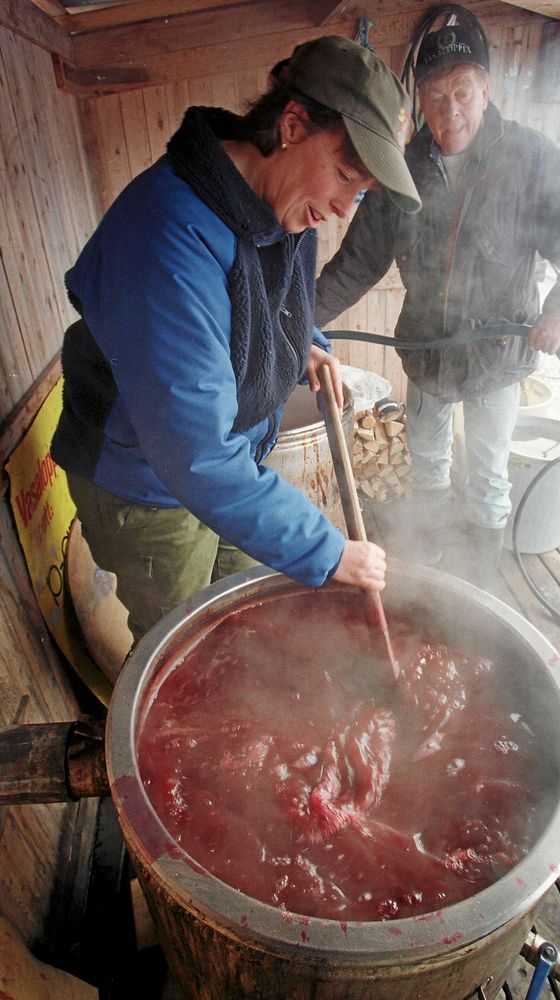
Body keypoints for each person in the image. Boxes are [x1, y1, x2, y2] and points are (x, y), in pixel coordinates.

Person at [51, 35, 421, 658]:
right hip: (146, 487)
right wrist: (330, 550)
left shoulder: (283, 204)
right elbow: (196, 454)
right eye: (347, 176)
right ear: (293, 124)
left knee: (235, 625)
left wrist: (305, 342)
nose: (342, 207)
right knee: (180, 649)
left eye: (360, 196)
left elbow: (261, 303)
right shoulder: (166, 236)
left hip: (224, 466)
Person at [315, 11, 560, 591]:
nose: (449, 108)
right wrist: (295, 320)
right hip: (427, 354)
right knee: (428, 461)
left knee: (488, 476)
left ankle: (478, 583)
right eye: (435, 94)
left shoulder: (528, 160)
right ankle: (429, 565)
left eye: (461, 91)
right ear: (421, 104)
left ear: (485, 91)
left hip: (498, 355)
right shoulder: (403, 169)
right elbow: (357, 262)